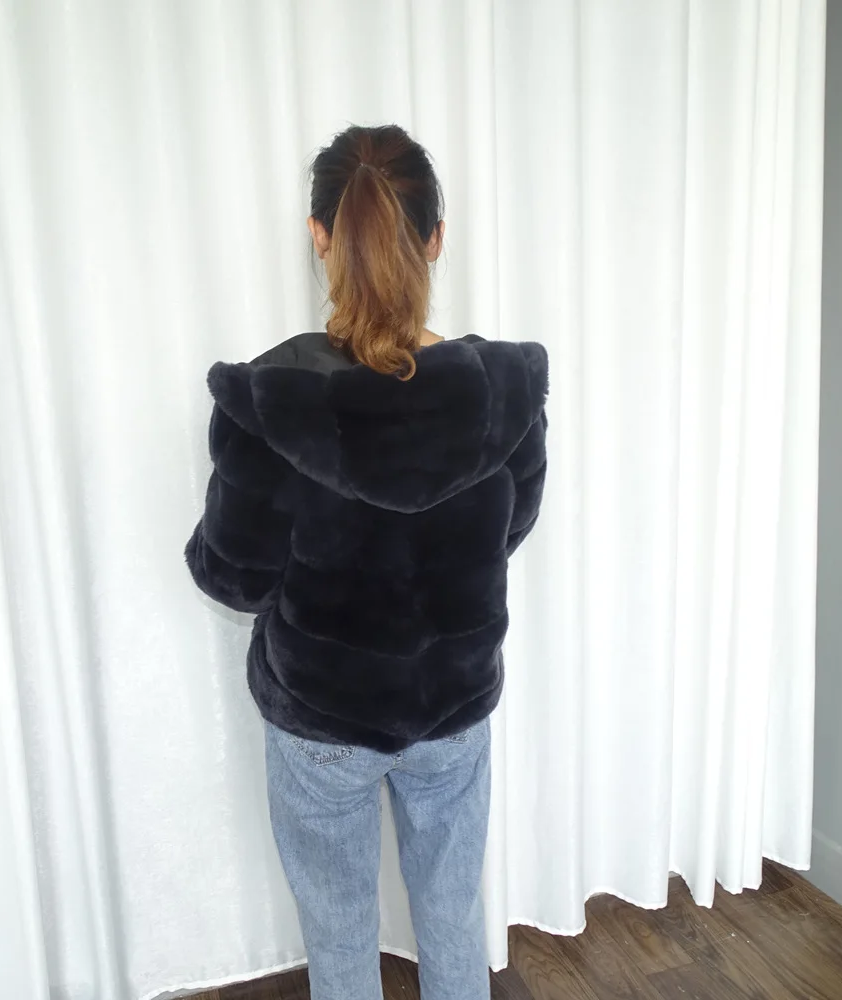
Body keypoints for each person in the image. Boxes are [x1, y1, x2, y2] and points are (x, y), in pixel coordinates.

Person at [186, 124, 547, 1000]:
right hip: (452, 711)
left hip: (321, 721)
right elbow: (511, 528)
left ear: (320, 236)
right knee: (453, 916)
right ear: (436, 238)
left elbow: (233, 576)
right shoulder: (503, 393)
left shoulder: (270, 400)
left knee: (341, 936)